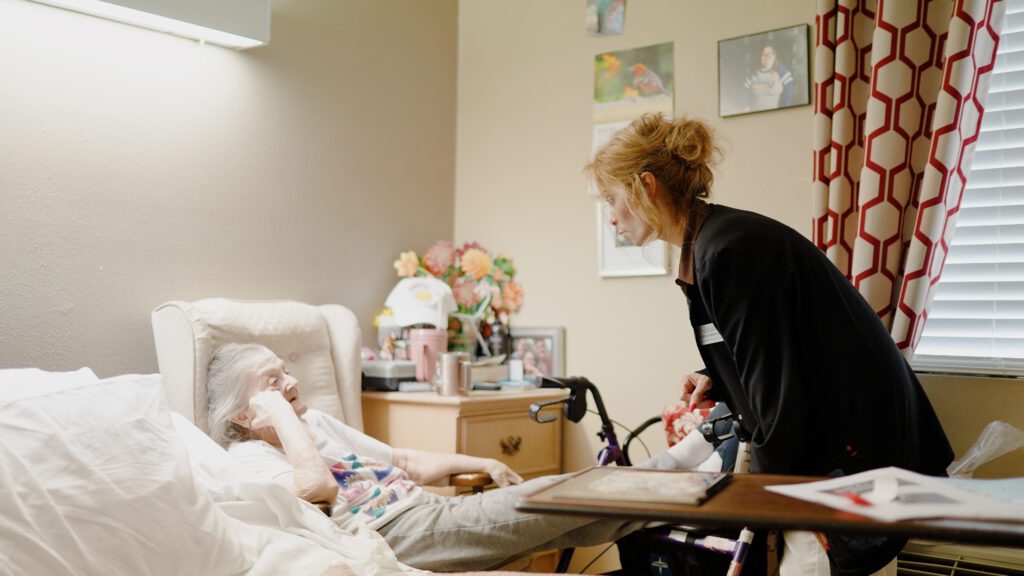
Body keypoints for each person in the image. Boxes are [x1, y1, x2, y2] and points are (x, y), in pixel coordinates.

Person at [584, 113, 954, 576]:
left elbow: (780, 394)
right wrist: (716, 377)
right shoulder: (712, 243)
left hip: (851, 461)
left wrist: (750, 505)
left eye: (612, 199)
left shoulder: (728, 252)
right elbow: (776, 350)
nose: (611, 216)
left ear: (646, 186)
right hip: (840, 452)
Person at [206, 342, 719, 573]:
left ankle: (696, 486)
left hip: (428, 509)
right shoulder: (248, 458)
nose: (291, 381)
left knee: (579, 518)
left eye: (286, 370)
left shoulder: (315, 422)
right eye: (273, 381)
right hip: (393, 536)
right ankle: (689, 459)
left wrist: (481, 462)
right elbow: (316, 492)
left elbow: (404, 460)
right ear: (245, 413)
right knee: (559, 497)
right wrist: (281, 416)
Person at [744, 45, 794, 112]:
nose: (767, 57)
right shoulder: (753, 74)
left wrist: (786, 109)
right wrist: (746, 106)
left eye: (770, 54)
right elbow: (744, 90)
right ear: (759, 57)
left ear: (774, 56)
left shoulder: (782, 71)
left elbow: (789, 91)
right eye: (764, 55)